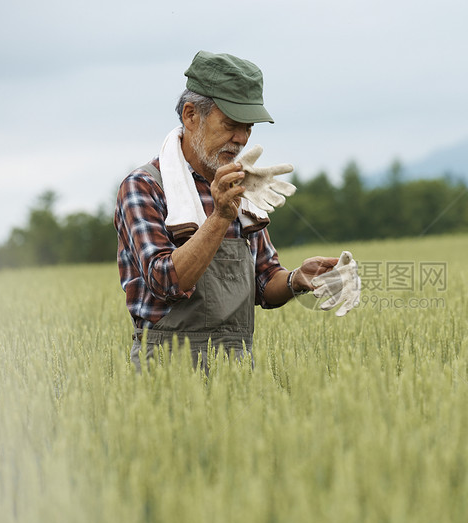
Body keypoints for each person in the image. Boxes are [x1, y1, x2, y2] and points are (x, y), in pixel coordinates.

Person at [114, 51, 341, 371]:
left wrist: (296, 280)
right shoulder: (145, 187)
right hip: (166, 369)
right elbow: (165, 281)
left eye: (248, 127)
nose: (242, 139)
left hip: (236, 370)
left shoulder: (241, 188)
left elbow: (265, 281)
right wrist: (220, 215)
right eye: (231, 124)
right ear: (191, 115)